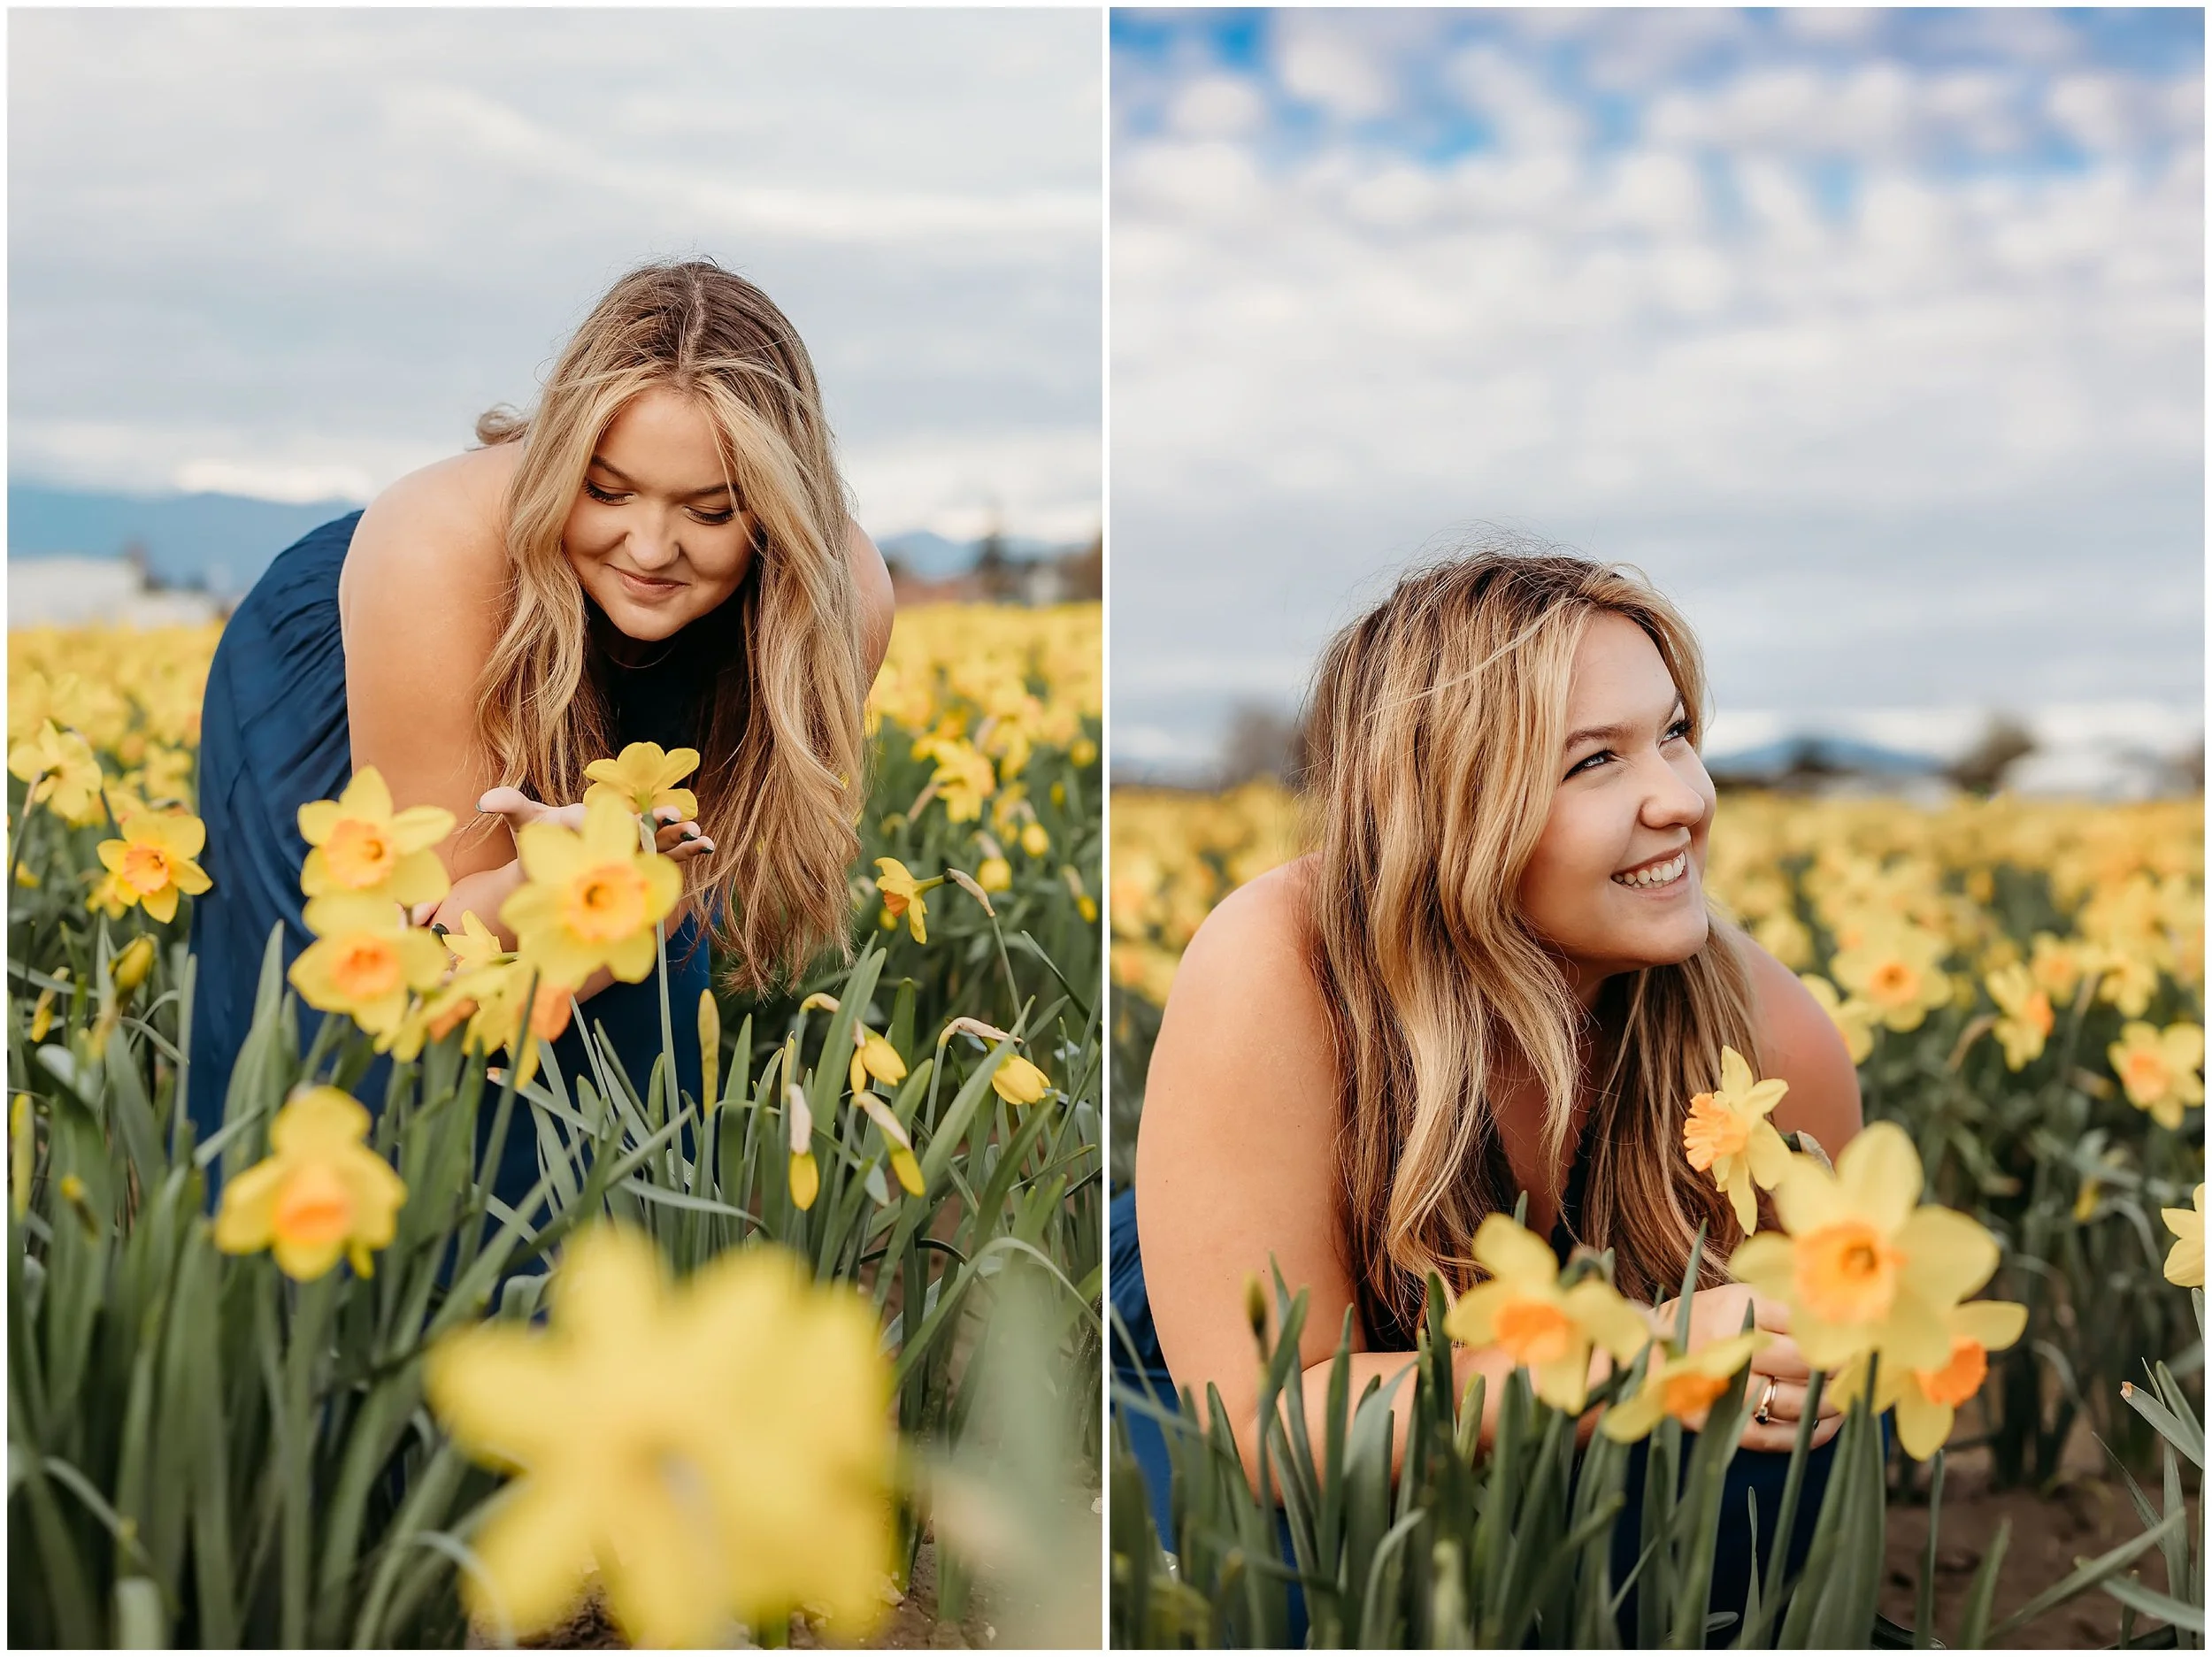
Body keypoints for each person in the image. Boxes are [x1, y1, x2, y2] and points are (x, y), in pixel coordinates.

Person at [1112, 548, 1863, 1636]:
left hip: (1537, 1409)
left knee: (1751, 1500)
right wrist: (1639, 1352)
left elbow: (1815, 1375)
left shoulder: (1770, 1038)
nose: (1682, 800)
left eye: (1673, 734)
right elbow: (1263, 1426)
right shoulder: (1281, 965)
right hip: (1222, 1376)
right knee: (1307, 1589)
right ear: (1450, 806)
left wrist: (1795, 1371)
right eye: (1594, 761)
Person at [188, 259, 895, 1204]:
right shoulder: (436, 548)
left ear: (778, 513)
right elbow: (441, 949)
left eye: (711, 509)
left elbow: (658, 912)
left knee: (632, 1067)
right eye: (607, 492)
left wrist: (614, 892)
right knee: (362, 1048)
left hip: (620, 708)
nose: (651, 548)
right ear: (560, 459)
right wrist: (543, 884)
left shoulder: (836, 604)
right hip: (374, 661)